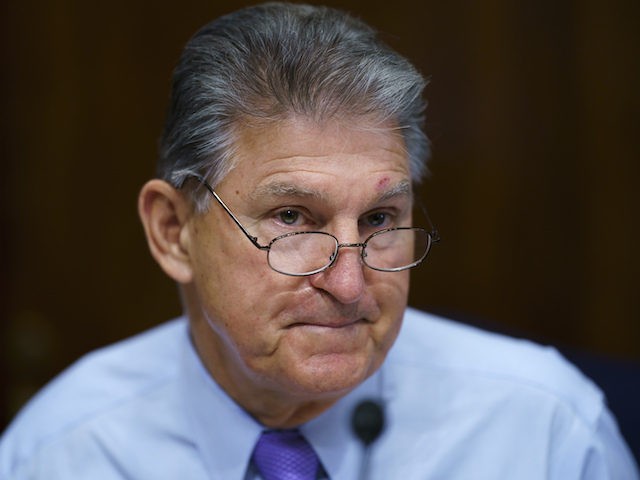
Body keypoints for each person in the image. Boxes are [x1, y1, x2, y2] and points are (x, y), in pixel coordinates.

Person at [1, 2, 637, 479]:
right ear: (173, 232)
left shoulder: (545, 430)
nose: (350, 284)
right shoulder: (61, 454)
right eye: (292, 218)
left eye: (380, 221)